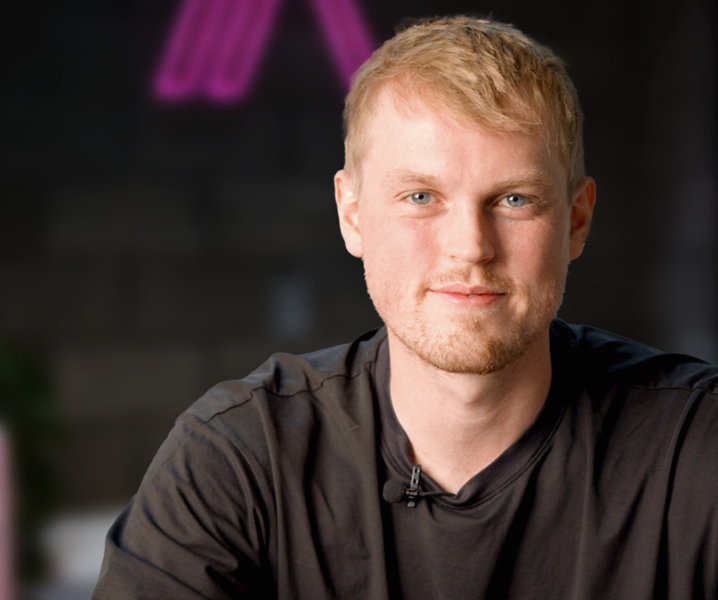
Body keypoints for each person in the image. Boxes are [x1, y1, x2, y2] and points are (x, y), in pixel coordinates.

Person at [93, 16, 718, 599]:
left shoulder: (695, 448)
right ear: (352, 213)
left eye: (515, 200)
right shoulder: (239, 460)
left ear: (577, 220)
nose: (471, 247)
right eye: (421, 196)